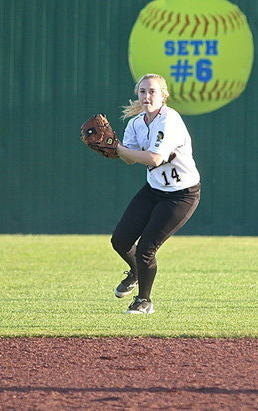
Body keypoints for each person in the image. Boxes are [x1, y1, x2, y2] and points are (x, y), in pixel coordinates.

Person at [110, 73, 201, 314]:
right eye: (142, 91)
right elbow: (129, 159)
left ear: (163, 96)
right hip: (154, 189)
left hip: (182, 194)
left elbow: (155, 158)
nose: (147, 96)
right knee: (120, 240)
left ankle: (144, 302)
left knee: (146, 248)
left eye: (152, 91)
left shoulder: (169, 120)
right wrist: (111, 149)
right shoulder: (136, 123)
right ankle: (136, 273)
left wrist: (118, 148)